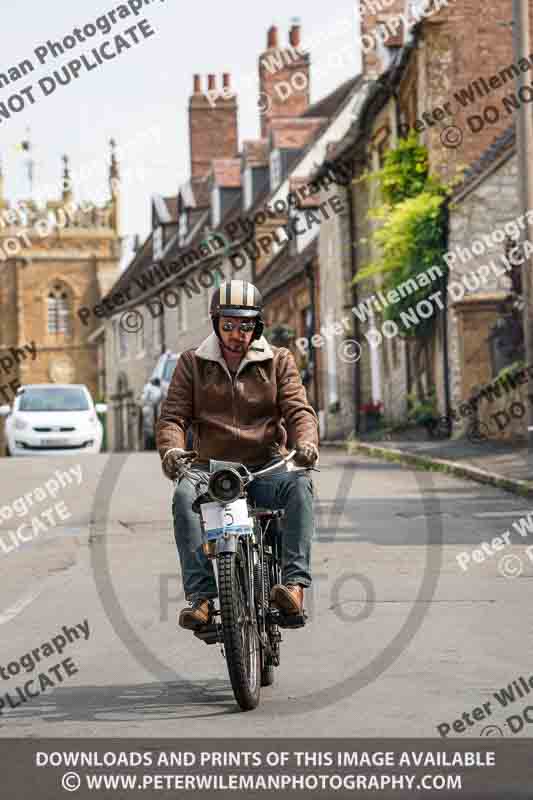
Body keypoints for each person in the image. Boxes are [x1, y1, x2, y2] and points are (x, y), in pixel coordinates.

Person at [156, 279, 319, 631]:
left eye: (245, 325)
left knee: (300, 486)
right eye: (228, 325)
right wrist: (170, 450)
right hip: (210, 471)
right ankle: (200, 600)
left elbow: (299, 411)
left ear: (256, 326)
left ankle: (293, 587)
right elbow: (172, 418)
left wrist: (306, 443)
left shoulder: (279, 361)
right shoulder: (191, 364)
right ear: (216, 323)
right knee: (184, 496)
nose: (237, 333)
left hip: (265, 467)